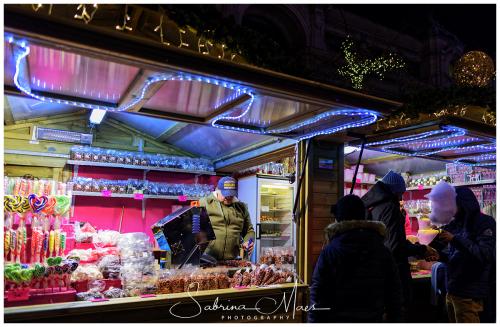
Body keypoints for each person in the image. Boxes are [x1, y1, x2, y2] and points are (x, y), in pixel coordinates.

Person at [309, 195, 403, 323]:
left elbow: (318, 294)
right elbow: (394, 293)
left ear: (338, 219)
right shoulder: (382, 250)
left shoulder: (330, 251)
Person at [361, 170, 437, 317]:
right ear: (394, 191)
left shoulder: (371, 205)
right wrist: (421, 249)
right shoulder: (390, 208)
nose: (401, 198)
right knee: (396, 313)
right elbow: (395, 247)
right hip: (392, 275)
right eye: (400, 194)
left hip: (375, 273)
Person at [427, 182, 496, 323]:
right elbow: (457, 256)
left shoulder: (485, 223)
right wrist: (440, 256)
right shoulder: (455, 224)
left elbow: (484, 254)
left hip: (470, 294)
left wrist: (455, 239)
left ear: (463, 204)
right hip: (453, 291)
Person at [199, 176, 255, 261]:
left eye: (231, 194)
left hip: (232, 260)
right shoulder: (204, 203)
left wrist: (249, 241)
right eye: (225, 194)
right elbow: (192, 229)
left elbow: (249, 231)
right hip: (207, 259)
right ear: (217, 189)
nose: (228, 197)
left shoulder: (241, 207)